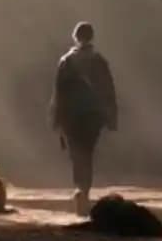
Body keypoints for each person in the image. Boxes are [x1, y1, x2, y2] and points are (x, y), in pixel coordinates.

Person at [49, 21, 118, 216]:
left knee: (76, 153)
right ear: (92, 37)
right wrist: (111, 116)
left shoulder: (66, 61)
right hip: (93, 115)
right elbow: (108, 90)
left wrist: (56, 118)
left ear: (75, 37)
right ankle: (84, 191)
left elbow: (58, 93)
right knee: (87, 152)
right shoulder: (99, 61)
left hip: (71, 115)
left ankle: (80, 189)